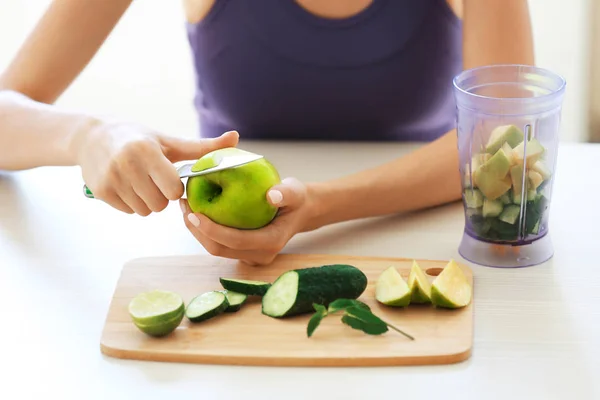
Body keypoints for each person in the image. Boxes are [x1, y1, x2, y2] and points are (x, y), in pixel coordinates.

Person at [0, 0, 535, 265]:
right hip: (218, 257)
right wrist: (88, 134)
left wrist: (322, 206)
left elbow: (505, 142)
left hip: (426, 237)